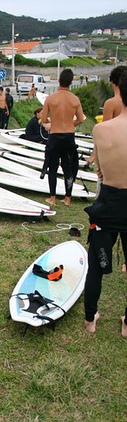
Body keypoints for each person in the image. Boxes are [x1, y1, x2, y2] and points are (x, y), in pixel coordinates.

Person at [83, 70, 127, 336]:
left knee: (96, 268)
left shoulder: (100, 129)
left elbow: (100, 171)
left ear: (118, 92)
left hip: (108, 203)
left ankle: (90, 320)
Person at [41, 68, 85, 206]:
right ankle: (67, 198)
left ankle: (52, 197)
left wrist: (52, 122)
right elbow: (81, 119)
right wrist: (69, 123)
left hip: (55, 136)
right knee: (68, 168)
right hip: (69, 136)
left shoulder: (51, 98)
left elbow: (43, 119)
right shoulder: (75, 99)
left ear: (59, 81)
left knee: (52, 167)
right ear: (71, 82)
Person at [87, 66, 127, 166]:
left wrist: (93, 156)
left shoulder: (111, 103)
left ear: (113, 82)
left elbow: (104, 135)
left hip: (114, 151)